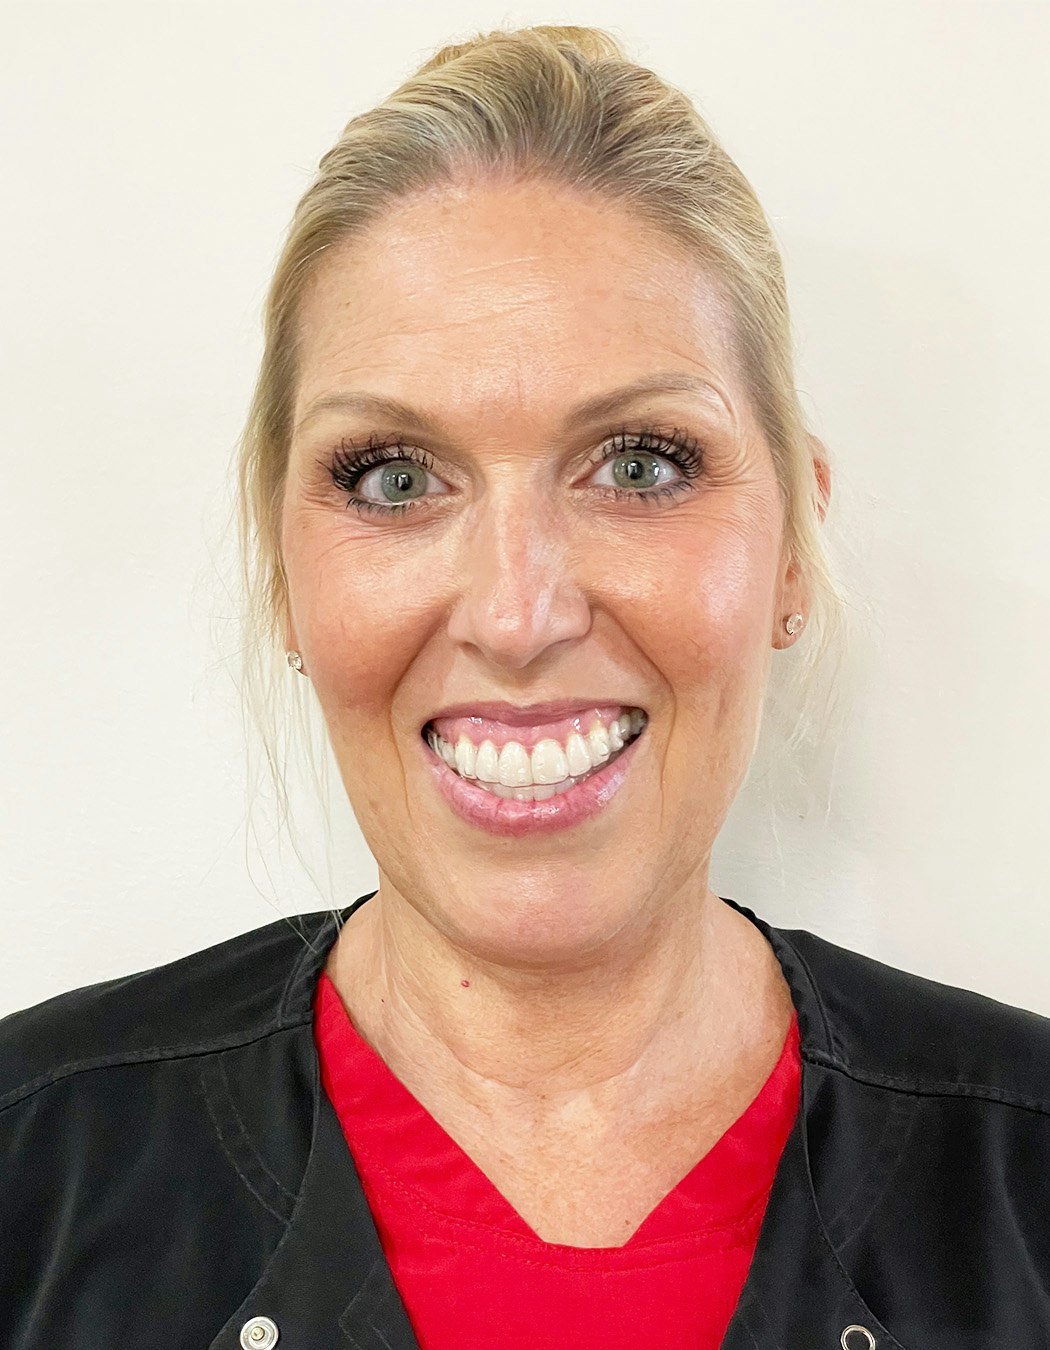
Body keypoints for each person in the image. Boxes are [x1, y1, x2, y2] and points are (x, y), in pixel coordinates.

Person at [1, 23, 1048, 1350]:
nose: (515, 612)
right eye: (393, 478)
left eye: (640, 465)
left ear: (792, 547)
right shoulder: (32, 1171)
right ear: (282, 574)